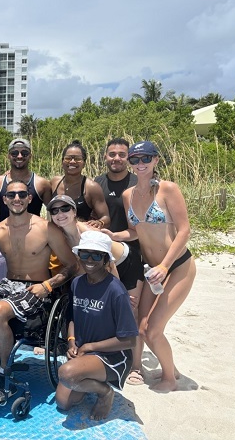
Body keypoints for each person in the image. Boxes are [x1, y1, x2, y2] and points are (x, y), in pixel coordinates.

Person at [0, 180, 78, 403]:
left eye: (22, 194)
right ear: (4, 200)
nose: (17, 198)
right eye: (12, 195)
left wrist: (48, 285)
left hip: (37, 287)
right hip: (8, 285)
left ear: (29, 198)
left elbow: (71, 265)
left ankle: (4, 373)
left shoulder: (46, 228)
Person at [110, 140, 196, 393]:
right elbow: (135, 231)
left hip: (177, 265)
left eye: (146, 158)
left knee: (154, 331)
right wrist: (114, 235)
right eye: (135, 159)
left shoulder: (168, 189)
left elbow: (184, 231)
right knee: (141, 326)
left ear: (156, 160)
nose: (140, 164)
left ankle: (170, 378)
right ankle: (169, 369)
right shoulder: (128, 195)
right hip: (151, 270)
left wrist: (166, 266)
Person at [56, 231, 138, 421]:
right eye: (85, 254)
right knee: (63, 403)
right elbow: (72, 318)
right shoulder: (77, 283)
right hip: (85, 352)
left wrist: (89, 346)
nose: (90, 260)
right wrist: (71, 341)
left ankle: (105, 392)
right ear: (79, 255)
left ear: (106, 259)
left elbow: (129, 340)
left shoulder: (116, 291)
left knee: (67, 374)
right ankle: (87, 376)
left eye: (97, 255)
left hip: (112, 356)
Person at [94, 137, 143, 384]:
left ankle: (136, 366)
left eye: (122, 155)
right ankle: (106, 354)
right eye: (112, 154)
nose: (116, 158)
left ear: (129, 158)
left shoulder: (138, 183)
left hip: (133, 254)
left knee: (133, 310)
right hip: (104, 255)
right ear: (105, 156)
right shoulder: (97, 184)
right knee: (105, 307)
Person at [50, 140, 110, 228]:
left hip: (80, 234)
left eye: (77, 159)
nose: (72, 161)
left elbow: (106, 217)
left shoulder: (91, 187)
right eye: (68, 158)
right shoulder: (54, 182)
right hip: (56, 234)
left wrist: (100, 223)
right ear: (62, 161)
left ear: (84, 163)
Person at [0, 138, 52, 222]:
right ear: (8, 156)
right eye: (14, 153)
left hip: (33, 230)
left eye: (24, 153)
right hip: (5, 230)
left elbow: (53, 210)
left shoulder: (41, 183)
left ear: (30, 156)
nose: (19, 156)